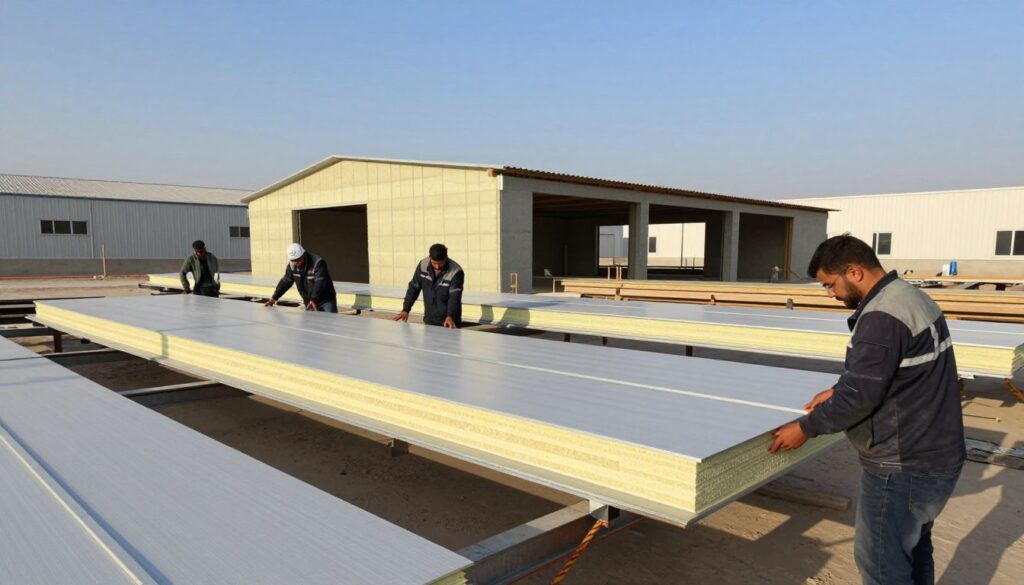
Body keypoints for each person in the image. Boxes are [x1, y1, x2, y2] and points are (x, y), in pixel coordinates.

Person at [770, 234, 965, 585]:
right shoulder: (909, 297)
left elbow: (859, 398)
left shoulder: (881, 317)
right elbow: (900, 369)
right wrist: (838, 388)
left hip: (901, 463)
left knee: (881, 565)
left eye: (831, 285)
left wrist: (805, 428)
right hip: (938, 454)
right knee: (915, 549)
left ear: (854, 272)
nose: (831, 294)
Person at [393, 243, 463, 328]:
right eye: (434, 263)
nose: (437, 266)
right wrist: (405, 310)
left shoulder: (455, 271)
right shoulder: (423, 265)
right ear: (430, 257)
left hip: (449, 323)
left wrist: (450, 316)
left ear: (446, 258)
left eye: (441, 263)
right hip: (430, 321)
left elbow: (454, 297)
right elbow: (414, 288)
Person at [263, 243, 338, 313]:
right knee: (312, 325)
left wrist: (313, 299)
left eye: (298, 259)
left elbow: (320, 283)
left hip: (325, 301)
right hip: (309, 301)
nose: (296, 263)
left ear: (304, 254)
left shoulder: (317, 263)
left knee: (329, 323)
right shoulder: (292, 266)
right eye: (293, 260)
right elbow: (286, 282)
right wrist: (274, 298)